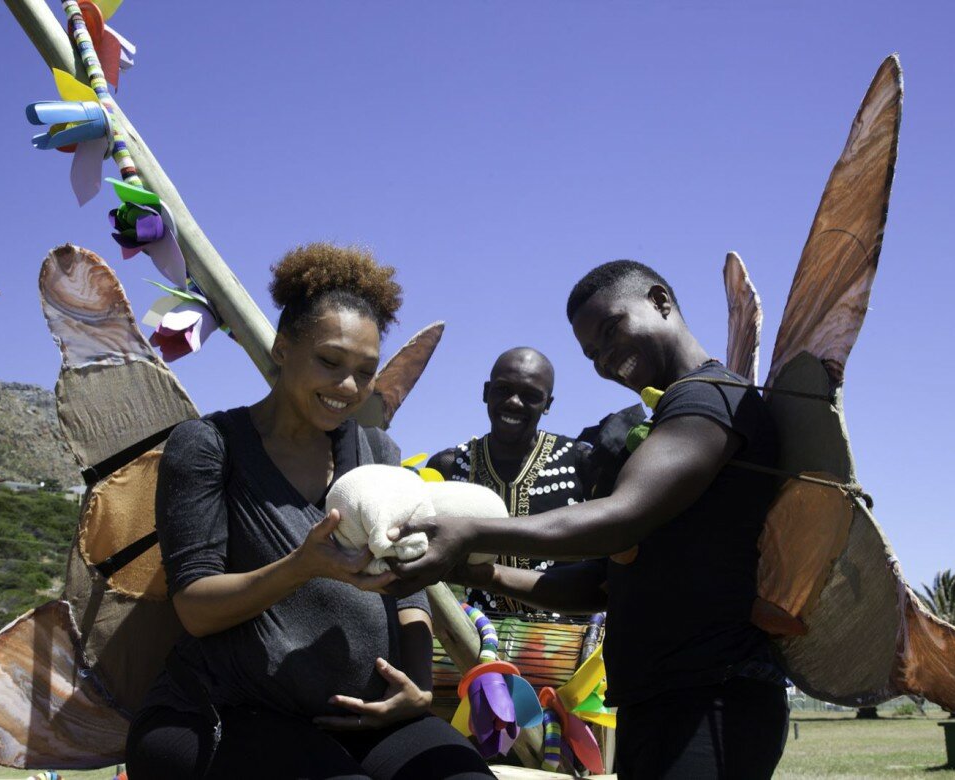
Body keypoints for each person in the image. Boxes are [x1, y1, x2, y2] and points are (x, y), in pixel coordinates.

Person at [391, 260, 789, 779]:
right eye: (592, 352)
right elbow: (603, 584)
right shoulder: (674, 413)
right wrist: (476, 572)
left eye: (611, 330)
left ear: (660, 301)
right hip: (662, 699)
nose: (605, 359)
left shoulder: (710, 398)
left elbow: (621, 519)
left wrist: (470, 531)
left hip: (713, 695)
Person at [125, 243, 492, 780]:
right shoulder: (209, 446)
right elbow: (196, 609)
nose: (347, 387)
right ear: (281, 347)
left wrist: (414, 687)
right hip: (222, 712)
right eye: (329, 361)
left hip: (364, 717)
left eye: (365, 372)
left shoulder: (376, 451)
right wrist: (304, 564)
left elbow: (409, 582)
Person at [426, 347, 593, 613]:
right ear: (486, 392)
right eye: (503, 389)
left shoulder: (580, 461)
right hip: (478, 636)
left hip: (567, 638)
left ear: (547, 404)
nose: (514, 402)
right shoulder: (448, 466)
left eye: (530, 395)